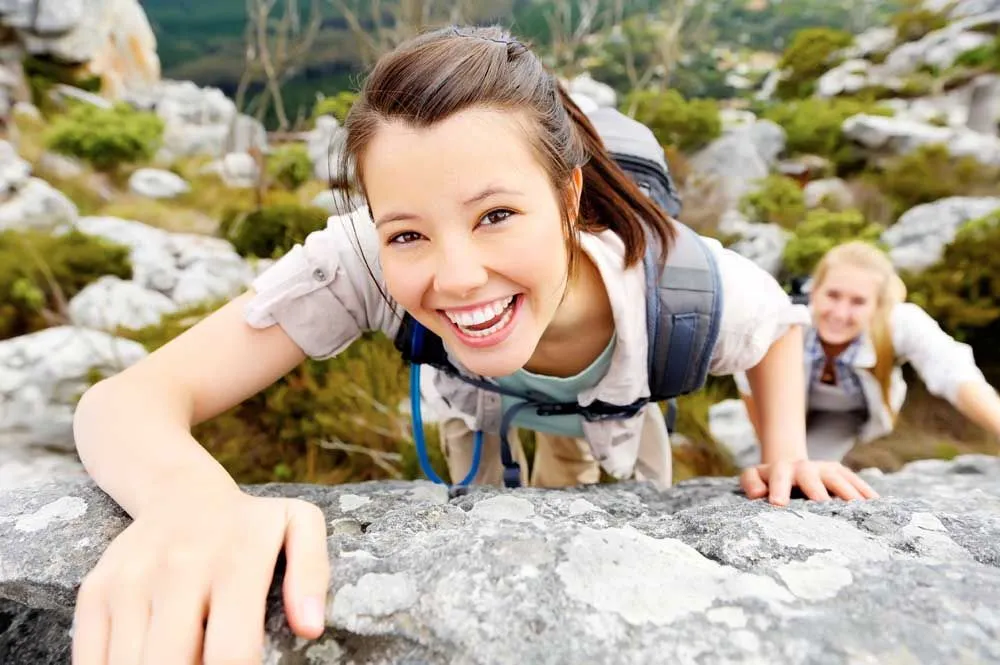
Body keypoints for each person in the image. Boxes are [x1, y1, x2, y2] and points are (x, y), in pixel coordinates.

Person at [70, 26, 877, 664]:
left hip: (614, 422)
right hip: (475, 415)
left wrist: (788, 451)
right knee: (483, 490)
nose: (456, 276)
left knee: (597, 497)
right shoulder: (356, 256)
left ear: (568, 198)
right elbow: (125, 402)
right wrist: (195, 507)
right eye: (409, 232)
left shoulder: (677, 286)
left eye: (496, 215)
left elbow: (775, 325)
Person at [739, 241, 1000, 463]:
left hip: (845, 416)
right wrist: (771, 453)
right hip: (783, 405)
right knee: (776, 465)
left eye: (858, 302)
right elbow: (750, 381)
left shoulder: (899, 322)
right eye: (832, 295)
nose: (840, 313)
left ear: (878, 306)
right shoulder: (787, 321)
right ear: (814, 291)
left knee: (813, 466)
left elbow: (953, 371)